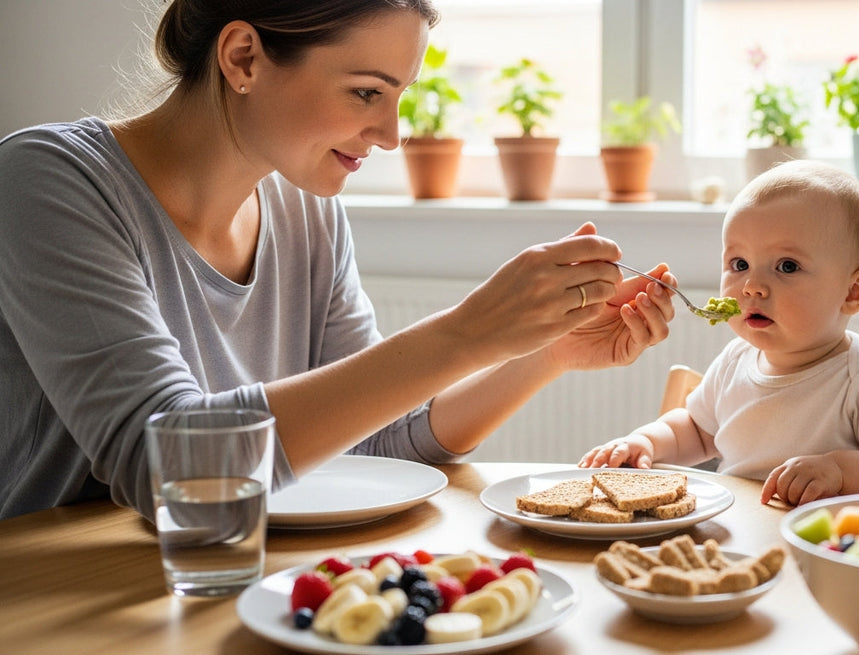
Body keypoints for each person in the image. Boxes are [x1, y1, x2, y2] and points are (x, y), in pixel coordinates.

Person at [0, 0, 678, 521]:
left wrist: (543, 351)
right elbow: (168, 465)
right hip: (55, 594)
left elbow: (375, 443)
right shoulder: (48, 181)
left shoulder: (306, 210)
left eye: (399, 97)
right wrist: (468, 332)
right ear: (242, 57)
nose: (390, 135)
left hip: (210, 587)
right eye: (366, 93)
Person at [579, 160, 859, 506]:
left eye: (787, 266)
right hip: (738, 538)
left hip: (818, 547)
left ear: (853, 292)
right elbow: (696, 429)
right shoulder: (735, 360)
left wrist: (838, 470)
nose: (752, 287)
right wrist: (647, 442)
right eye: (740, 264)